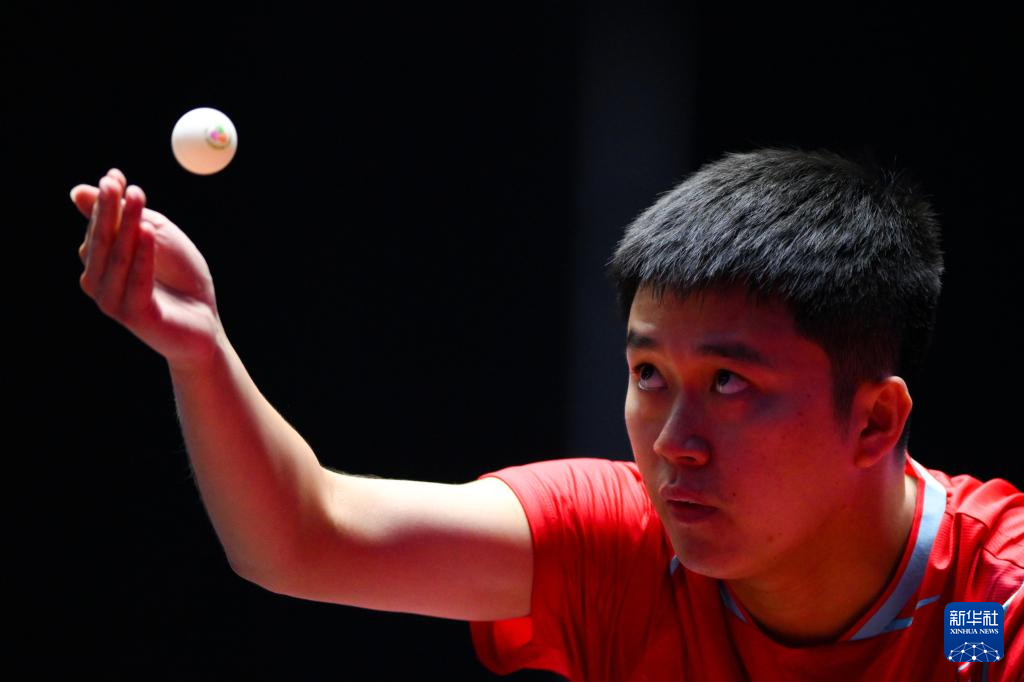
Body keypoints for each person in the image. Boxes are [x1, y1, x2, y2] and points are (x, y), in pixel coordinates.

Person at [72, 148, 1022, 681]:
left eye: (731, 384)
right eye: (648, 374)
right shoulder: (622, 550)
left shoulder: (983, 609)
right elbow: (305, 534)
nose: (674, 445)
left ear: (874, 421)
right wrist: (200, 352)